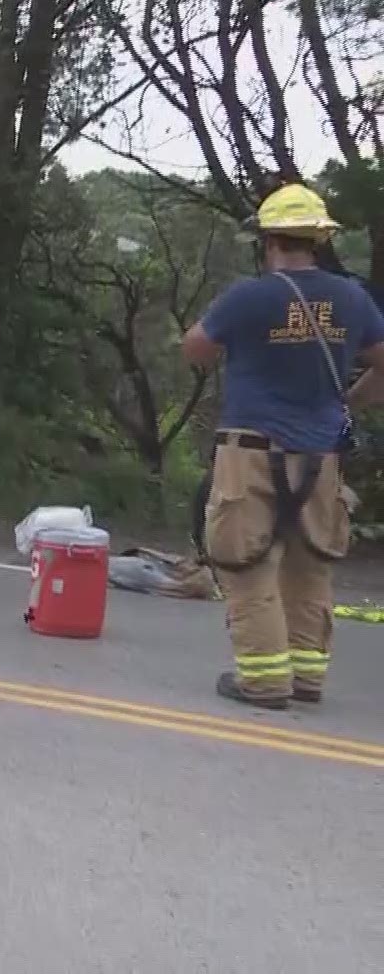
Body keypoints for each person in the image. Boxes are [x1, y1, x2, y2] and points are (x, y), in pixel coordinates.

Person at [182, 182, 384, 710]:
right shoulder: (352, 298)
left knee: (245, 562)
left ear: (269, 239)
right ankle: (307, 677)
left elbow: (195, 349)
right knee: (309, 565)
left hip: (252, 451)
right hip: (322, 459)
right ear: (317, 240)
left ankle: (265, 681)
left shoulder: (251, 296)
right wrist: (350, 401)